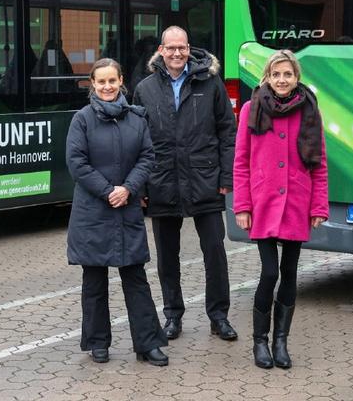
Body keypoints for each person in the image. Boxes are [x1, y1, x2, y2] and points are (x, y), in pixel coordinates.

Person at [132, 26, 238, 341]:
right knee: (167, 258)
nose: (177, 53)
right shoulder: (145, 89)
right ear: (161, 51)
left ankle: (219, 317)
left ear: (189, 49)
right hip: (162, 180)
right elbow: (137, 141)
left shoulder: (211, 83)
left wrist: (227, 176)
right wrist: (140, 186)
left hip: (205, 179)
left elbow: (227, 131)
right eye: (171, 48)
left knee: (214, 252)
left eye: (182, 48)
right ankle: (173, 316)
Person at [66, 58, 169, 366]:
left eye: (112, 81)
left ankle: (148, 343)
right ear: (93, 84)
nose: (107, 87)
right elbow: (76, 163)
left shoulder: (137, 119)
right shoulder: (82, 120)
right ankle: (97, 342)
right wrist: (108, 190)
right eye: (101, 82)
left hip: (126, 208)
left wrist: (128, 188)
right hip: (92, 212)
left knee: (136, 277)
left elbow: (147, 157)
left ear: (121, 81)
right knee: (94, 280)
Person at [232, 49, 328, 370]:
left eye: (288, 74)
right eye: (276, 74)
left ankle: (281, 342)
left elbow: (319, 163)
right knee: (269, 272)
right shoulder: (252, 108)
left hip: (297, 202)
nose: (282, 80)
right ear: (268, 77)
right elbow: (241, 161)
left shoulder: (310, 110)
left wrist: (318, 206)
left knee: (289, 273)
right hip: (263, 202)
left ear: (296, 77)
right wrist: (242, 205)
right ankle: (260, 341)